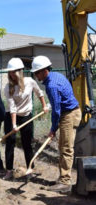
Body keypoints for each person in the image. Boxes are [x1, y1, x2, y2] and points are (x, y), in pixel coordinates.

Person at [32, 55, 81, 193]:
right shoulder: (56, 76)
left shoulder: (51, 85)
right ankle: (62, 178)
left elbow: (57, 111)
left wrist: (53, 129)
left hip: (69, 115)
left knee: (66, 148)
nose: (36, 76)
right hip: (71, 112)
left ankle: (65, 182)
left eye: (36, 73)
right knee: (62, 147)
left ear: (43, 71)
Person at [2, 58, 48, 180]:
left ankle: (30, 169)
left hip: (26, 116)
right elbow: (12, 108)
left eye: (13, 72)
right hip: (11, 116)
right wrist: (13, 124)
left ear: (19, 71)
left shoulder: (30, 81)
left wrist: (44, 106)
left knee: (27, 143)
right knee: (10, 143)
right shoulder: (8, 87)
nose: (11, 74)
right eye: (10, 72)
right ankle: (9, 170)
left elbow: (39, 93)